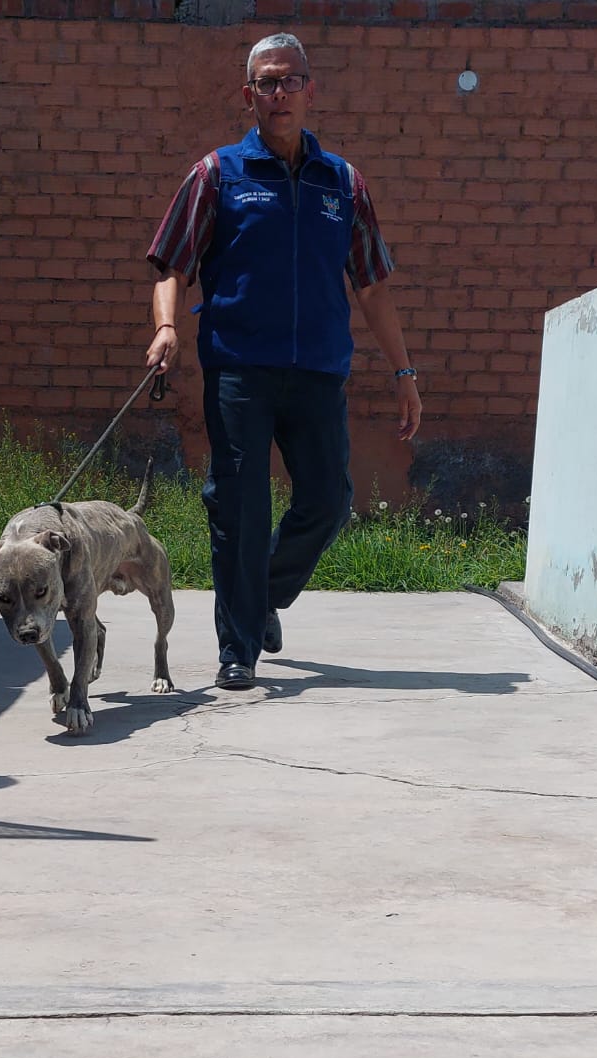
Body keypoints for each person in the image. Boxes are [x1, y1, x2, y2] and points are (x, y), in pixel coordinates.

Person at [146, 33, 422, 688]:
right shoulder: (217, 175)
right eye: (266, 83)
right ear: (248, 96)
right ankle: (236, 649)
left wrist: (404, 374)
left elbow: (373, 286)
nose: (279, 93)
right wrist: (165, 329)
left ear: (310, 90)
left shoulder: (342, 184)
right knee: (238, 507)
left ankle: (262, 594)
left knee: (327, 500)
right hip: (238, 367)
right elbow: (172, 264)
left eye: (289, 80)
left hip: (318, 371)